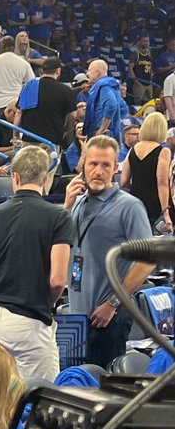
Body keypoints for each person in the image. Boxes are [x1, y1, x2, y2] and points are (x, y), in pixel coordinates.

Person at [0, 145, 73, 380]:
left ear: (15, 176)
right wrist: (45, 301)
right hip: (32, 320)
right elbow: (59, 280)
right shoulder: (58, 216)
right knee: (38, 402)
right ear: (46, 178)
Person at [63, 135, 156, 368]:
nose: (99, 171)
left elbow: (147, 261)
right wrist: (66, 205)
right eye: (93, 164)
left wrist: (114, 303)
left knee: (103, 388)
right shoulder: (77, 201)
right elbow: (60, 243)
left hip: (107, 316)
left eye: (106, 165)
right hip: (75, 313)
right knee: (72, 383)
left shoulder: (129, 206)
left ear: (116, 168)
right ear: (83, 165)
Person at [120, 111, 171, 229]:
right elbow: (162, 183)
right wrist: (166, 212)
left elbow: (123, 181)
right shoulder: (163, 151)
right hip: (154, 203)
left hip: (134, 202)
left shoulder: (133, 150)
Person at [14, 56, 76, 150]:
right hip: (51, 142)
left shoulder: (29, 87)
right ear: (58, 71)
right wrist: (67, 132)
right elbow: (73, 116)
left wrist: (16, 135)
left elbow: (19, 113)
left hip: (28, 140)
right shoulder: (65, 90)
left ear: (42, 71)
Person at [83, 59, 125, 145]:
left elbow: (111, 105)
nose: (87, 74)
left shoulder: (104, 86)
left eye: (90, 70)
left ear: (98, 72)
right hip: (111, 134)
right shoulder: (112, 86)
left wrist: (102, 129)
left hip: (103, 137)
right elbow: (124, 108)